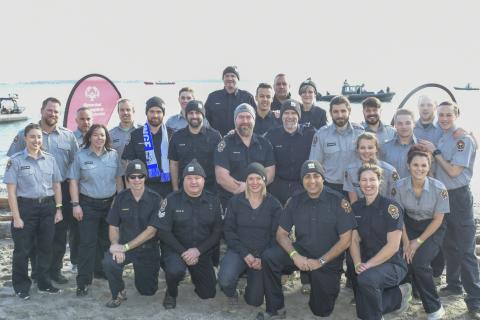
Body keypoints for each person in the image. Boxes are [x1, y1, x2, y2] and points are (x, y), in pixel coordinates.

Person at [257, 160, 356, 319]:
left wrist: (321, 261)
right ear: (302, 180)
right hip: (302, 251)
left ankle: (318, 285)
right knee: (269, 257)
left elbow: (346, 240)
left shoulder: (338, 201)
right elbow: (281, 234)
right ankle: (275, 308)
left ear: (323, 178)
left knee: (321, 310)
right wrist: (294, 255)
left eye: (316, 176)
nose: (312, 181)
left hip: (328, 259)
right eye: (307, 177)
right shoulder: (295, 201)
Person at [7, 97, 78, 284]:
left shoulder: (68, 135)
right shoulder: (25, 132)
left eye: (56, 111)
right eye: (50, 110)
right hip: (31, 190)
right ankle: (38, 273)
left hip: (60, 188)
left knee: (58, 235)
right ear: (42, 110)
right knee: (34, 239)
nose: (53, 114)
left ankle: (54, 271)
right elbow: (13, 160)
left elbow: (75, 163)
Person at [419, 101, 480, 319]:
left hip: (459, 196)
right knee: (449, 245)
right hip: (442, 195)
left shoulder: (461, 138)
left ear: (457, 115)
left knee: (465, 249)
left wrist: (435, 152)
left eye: (448, 115)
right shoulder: (444, 136)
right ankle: (454, 285)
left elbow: (454, 172)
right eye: (441, 115)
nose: (444, 118)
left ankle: (475, 300)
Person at [4, 123, 63, 298]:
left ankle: (43, 282)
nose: (36, 140)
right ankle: (21, 287)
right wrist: (16, 216)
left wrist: (58, 209)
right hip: (25, 209)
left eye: (39, 137)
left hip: (47, 208)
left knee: (46, 247)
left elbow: (57, 186)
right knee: (22, 250)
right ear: (25, 139)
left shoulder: (50, 159)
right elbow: (11, 192)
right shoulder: (15, 161)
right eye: (32, 137)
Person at [157, 159, 223, 309]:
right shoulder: (171, 200)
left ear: (204, 180)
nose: (194, 182)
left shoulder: (213, 201)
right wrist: (184, 252)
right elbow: (163, 232)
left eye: (197, 178)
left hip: (201, 251)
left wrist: (197, 251)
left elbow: (217, 232)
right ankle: (171, 292)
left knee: (208, 293)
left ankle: (195, 274)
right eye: (189, 178)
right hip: (176, 250)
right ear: (183, 180)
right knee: (175, 271)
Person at [349, 163, 411, 320]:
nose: (368, 184)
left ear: (379, 181)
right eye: (364, 180)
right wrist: (357, 264)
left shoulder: (391, 207)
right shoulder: (355, 208)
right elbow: (354, 240)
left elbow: (393, 246)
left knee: (366, 279)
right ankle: (399, 294)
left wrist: (367, 266)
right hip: (367, 262)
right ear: (359, 183)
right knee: (362, 312)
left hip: (392, 263)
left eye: (372, 179)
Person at [393, 145, 448, 319]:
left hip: (432, 228)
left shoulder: (440, 188)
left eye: (424, 165)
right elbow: (399, 217)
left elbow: (438, 220)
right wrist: (406, 241)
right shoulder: (399, 186)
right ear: (408, 165)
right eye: (415, 165)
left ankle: (434, 307)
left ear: (429, 167)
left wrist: (417, 242)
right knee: (404, 258)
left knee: (420, 263)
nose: (419, 169)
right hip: (407, 225)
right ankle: (407, 293)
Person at [68, 124, 123, 296]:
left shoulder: (113, 155)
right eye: (96, 135)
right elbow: (73, 182)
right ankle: (83, 281)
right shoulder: (80, 155)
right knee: (87, 243)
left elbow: (119, 180)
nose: (100, 138)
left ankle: (101, 271)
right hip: (88, 205)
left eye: (103, 135)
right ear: (89, 137)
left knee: (106, 242)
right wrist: (75, 205)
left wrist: (119, 203)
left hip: (110, 205)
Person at [218, 163, 282, 308]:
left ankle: (252, 285)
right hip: (239, 251)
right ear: (245, 181)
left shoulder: (274, 204)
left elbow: (277, 235)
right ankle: (232, 292)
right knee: (225, 280)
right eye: (250, 179)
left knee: (254, 301)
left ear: (264, 180)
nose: (254, 182)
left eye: (258, 178)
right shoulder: (235, 202)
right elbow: (228, 231)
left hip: (262, 254)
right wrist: (245, 253)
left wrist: (263, 257)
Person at [102, 160, 162, 308]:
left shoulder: (156, 199)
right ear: (127, 179)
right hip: (124, 247)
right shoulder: (120, 198)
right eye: (132, 177)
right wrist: (116, 245)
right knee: (109, 262)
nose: (136, 180)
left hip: (148, 249)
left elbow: (151, 232)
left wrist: (125, 247)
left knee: (147, 291)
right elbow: (113, 225)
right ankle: (118, 292)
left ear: (145, 177)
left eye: (140, 176)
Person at [214, 103, 276, 208]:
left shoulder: (265, 143)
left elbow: (270, 174)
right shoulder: (225, 144)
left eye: (248, 117)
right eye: (241, 117)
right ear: (235, 120)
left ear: (254, 120)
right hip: (232, 202)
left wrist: (251, 188)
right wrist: (244, 189)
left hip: (260, 202)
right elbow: (221, 177)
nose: (245, 121)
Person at [309, 95, 364, 194]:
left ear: (349, 111)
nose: (340, 115)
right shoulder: (321, 135)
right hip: (331, 187)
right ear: (330, 113)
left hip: (357, 186)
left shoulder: (360, 133)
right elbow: (315, 165)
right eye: (336, 112)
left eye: (343, 111)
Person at [264, 99, 315, 205]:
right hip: (277, 186)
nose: (290, 116)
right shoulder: (271, 135)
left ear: (299, 116)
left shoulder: (311, 134)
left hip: (302, 186)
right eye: (286, 113)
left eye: (293, 113)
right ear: (281, 116)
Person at [122, 96, 172, 197]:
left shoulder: (172, 134)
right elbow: (128, 164)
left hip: (168, 187)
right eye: (152, 111)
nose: (155, 115)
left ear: (163, 113)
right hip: (144, 188)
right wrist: (129, 192)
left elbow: (176, 163)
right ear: (146, 113)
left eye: (159, 112)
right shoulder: (135, 135)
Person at [168, 100, 221, 193]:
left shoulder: (215, 136)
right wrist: (175, 189)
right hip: (184, 189)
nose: (194, 116)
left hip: (210, 189)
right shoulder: (177, 137)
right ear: (186, 115)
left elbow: (220, 164)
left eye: (197, 113)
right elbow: (173, 164)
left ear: (203, 115)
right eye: (191, 113)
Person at [344, 133, 399, 203]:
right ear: (357, 150)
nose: (366, 151)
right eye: (362, 148)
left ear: (376, 149)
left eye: (370, 147)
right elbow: (353, 201)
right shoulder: (350, 171)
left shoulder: (390, 171)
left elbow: (396, 200)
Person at [205, 66, 256, 136]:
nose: (229, 78)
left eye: (233, 76)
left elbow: (255, 119)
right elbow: (205, 120)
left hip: (241, 140)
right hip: (217, 141)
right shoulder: (213, 97)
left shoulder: (247, 97)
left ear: (238, 79)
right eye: (227, 76)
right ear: (223, 79)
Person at [109, 98, 141, 179]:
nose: (125, 113)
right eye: (122, 110)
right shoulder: (111, 134)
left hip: (140, 176)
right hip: (119, 177)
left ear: (133, 111)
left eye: (128, 110)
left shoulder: (143, 131)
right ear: (118, 112)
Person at [380, 109, 418, 178]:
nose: (404, 127)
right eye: (400, 123)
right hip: (391, 188)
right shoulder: (385, 148)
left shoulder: (421, 147)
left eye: (408, 123)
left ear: (414, 124)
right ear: (395, 125)